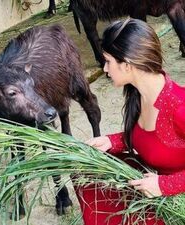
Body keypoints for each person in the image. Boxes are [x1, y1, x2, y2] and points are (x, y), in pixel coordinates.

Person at [78, 18, 185, 224]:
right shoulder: (140, 95)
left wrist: (166, 185)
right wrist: (113, 141)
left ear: (127, 65)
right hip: (155, 191)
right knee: (89, 177)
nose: (106, 69)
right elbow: (150, 139)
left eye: (108, 61)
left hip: (174, 198)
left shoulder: (179, 108)